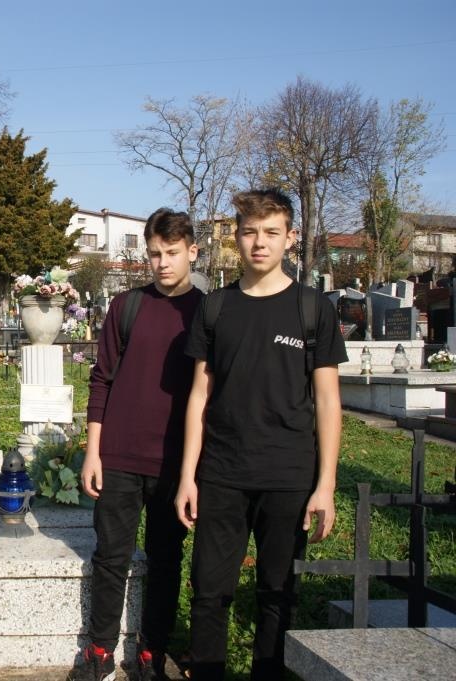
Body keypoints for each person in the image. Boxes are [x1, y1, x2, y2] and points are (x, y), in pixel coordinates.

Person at [174, 189, 346, 680]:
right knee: (209, 592)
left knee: (277, 594)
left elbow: (328, 401)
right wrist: (188, 477)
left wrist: (326, 485)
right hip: (222, 474)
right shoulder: (216, 307)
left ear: (291, 238)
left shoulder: (312, 309)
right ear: (236, 237)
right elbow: (199, 397)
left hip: (288, 475)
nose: (259, 242)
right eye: (249, 232)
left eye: (271, 232)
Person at [68, 209, 203, 681]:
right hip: (119, 457)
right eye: (154, 254)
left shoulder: (207, 312)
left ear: (192, 252)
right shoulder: (127, 306)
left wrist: (195, 471)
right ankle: (100, 650)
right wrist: (93, 451)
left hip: (173, 464)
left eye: (172, 253)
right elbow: (101, 379)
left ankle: (152, 651)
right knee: (110, 558)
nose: (162, 263)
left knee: (166, 561)